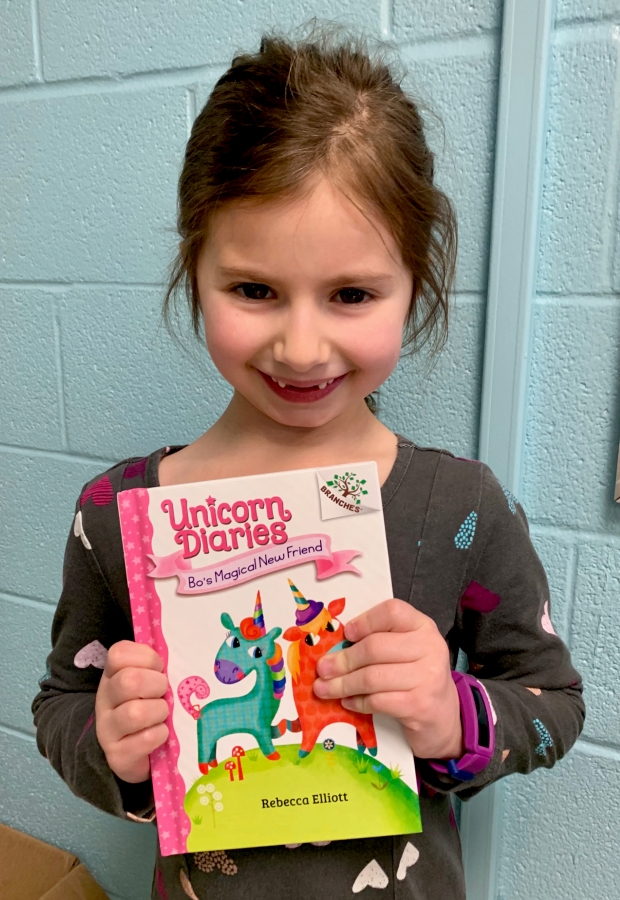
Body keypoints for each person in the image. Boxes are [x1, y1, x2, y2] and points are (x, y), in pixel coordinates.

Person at [32, 21, 585, 900]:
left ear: (415, 285)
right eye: (253, 289)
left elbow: (555, 706)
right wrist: (107, 742)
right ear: (194, 267)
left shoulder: (459, 505)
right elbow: (59, 701)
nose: (300, 346)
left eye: (352, 295)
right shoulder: (117, 514)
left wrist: (453, 717)